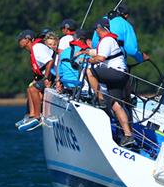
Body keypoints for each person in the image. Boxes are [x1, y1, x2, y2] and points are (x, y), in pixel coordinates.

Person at [85, 16, 135, 148]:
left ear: (100, 29)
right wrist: (86, 52)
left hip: (115, 74)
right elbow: (99, 52)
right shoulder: (111, 40)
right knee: (116, 105)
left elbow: (101, 58)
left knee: (90, 72)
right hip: (121, 75)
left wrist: (90, 60)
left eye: (96, 29)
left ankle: (100, 98)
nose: (96, 32)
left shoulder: (106, 40)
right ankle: (128, 136)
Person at [16, 29, 55, 131]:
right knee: (30, 88)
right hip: (46, 75)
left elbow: (50, 62)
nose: (19, 41)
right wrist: (36, 79)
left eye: (21, 39)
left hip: (53, 75)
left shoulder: (37, 48)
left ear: (28, 39)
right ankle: (31, 115)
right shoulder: (33, 49)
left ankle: (37, 117)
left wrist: (46, 78)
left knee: (34, 89)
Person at [57, 28, 94, 94]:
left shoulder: (64, 52)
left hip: (66, 84)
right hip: (80, 87)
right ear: (82, 40)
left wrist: (58, 82)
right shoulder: (87, 53)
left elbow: (60, 72)